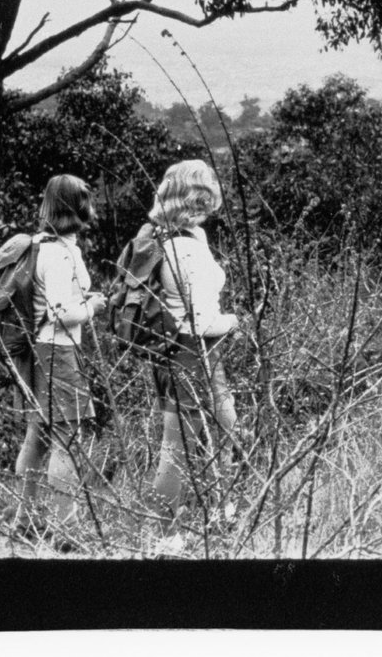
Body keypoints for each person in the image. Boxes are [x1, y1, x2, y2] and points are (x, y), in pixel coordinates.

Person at [143, 158, 241, 518]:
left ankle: (221, 512)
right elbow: (201, 321)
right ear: (197, 197)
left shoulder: (173, 237)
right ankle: (165, 535)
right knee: (177, 448)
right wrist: (235, 321)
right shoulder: (184, 248)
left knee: (221, 426)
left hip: (187, 353)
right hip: (192, 351)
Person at [11, 174, 107, 538]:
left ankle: (26, 521)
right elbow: (61, 312)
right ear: (78, 207)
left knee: (37, 435)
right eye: (87, 202)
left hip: (36, 352)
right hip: (58, 351)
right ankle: (66, 531)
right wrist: (93, 305)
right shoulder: (62, 252)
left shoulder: (39, 244)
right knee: (67, 441)